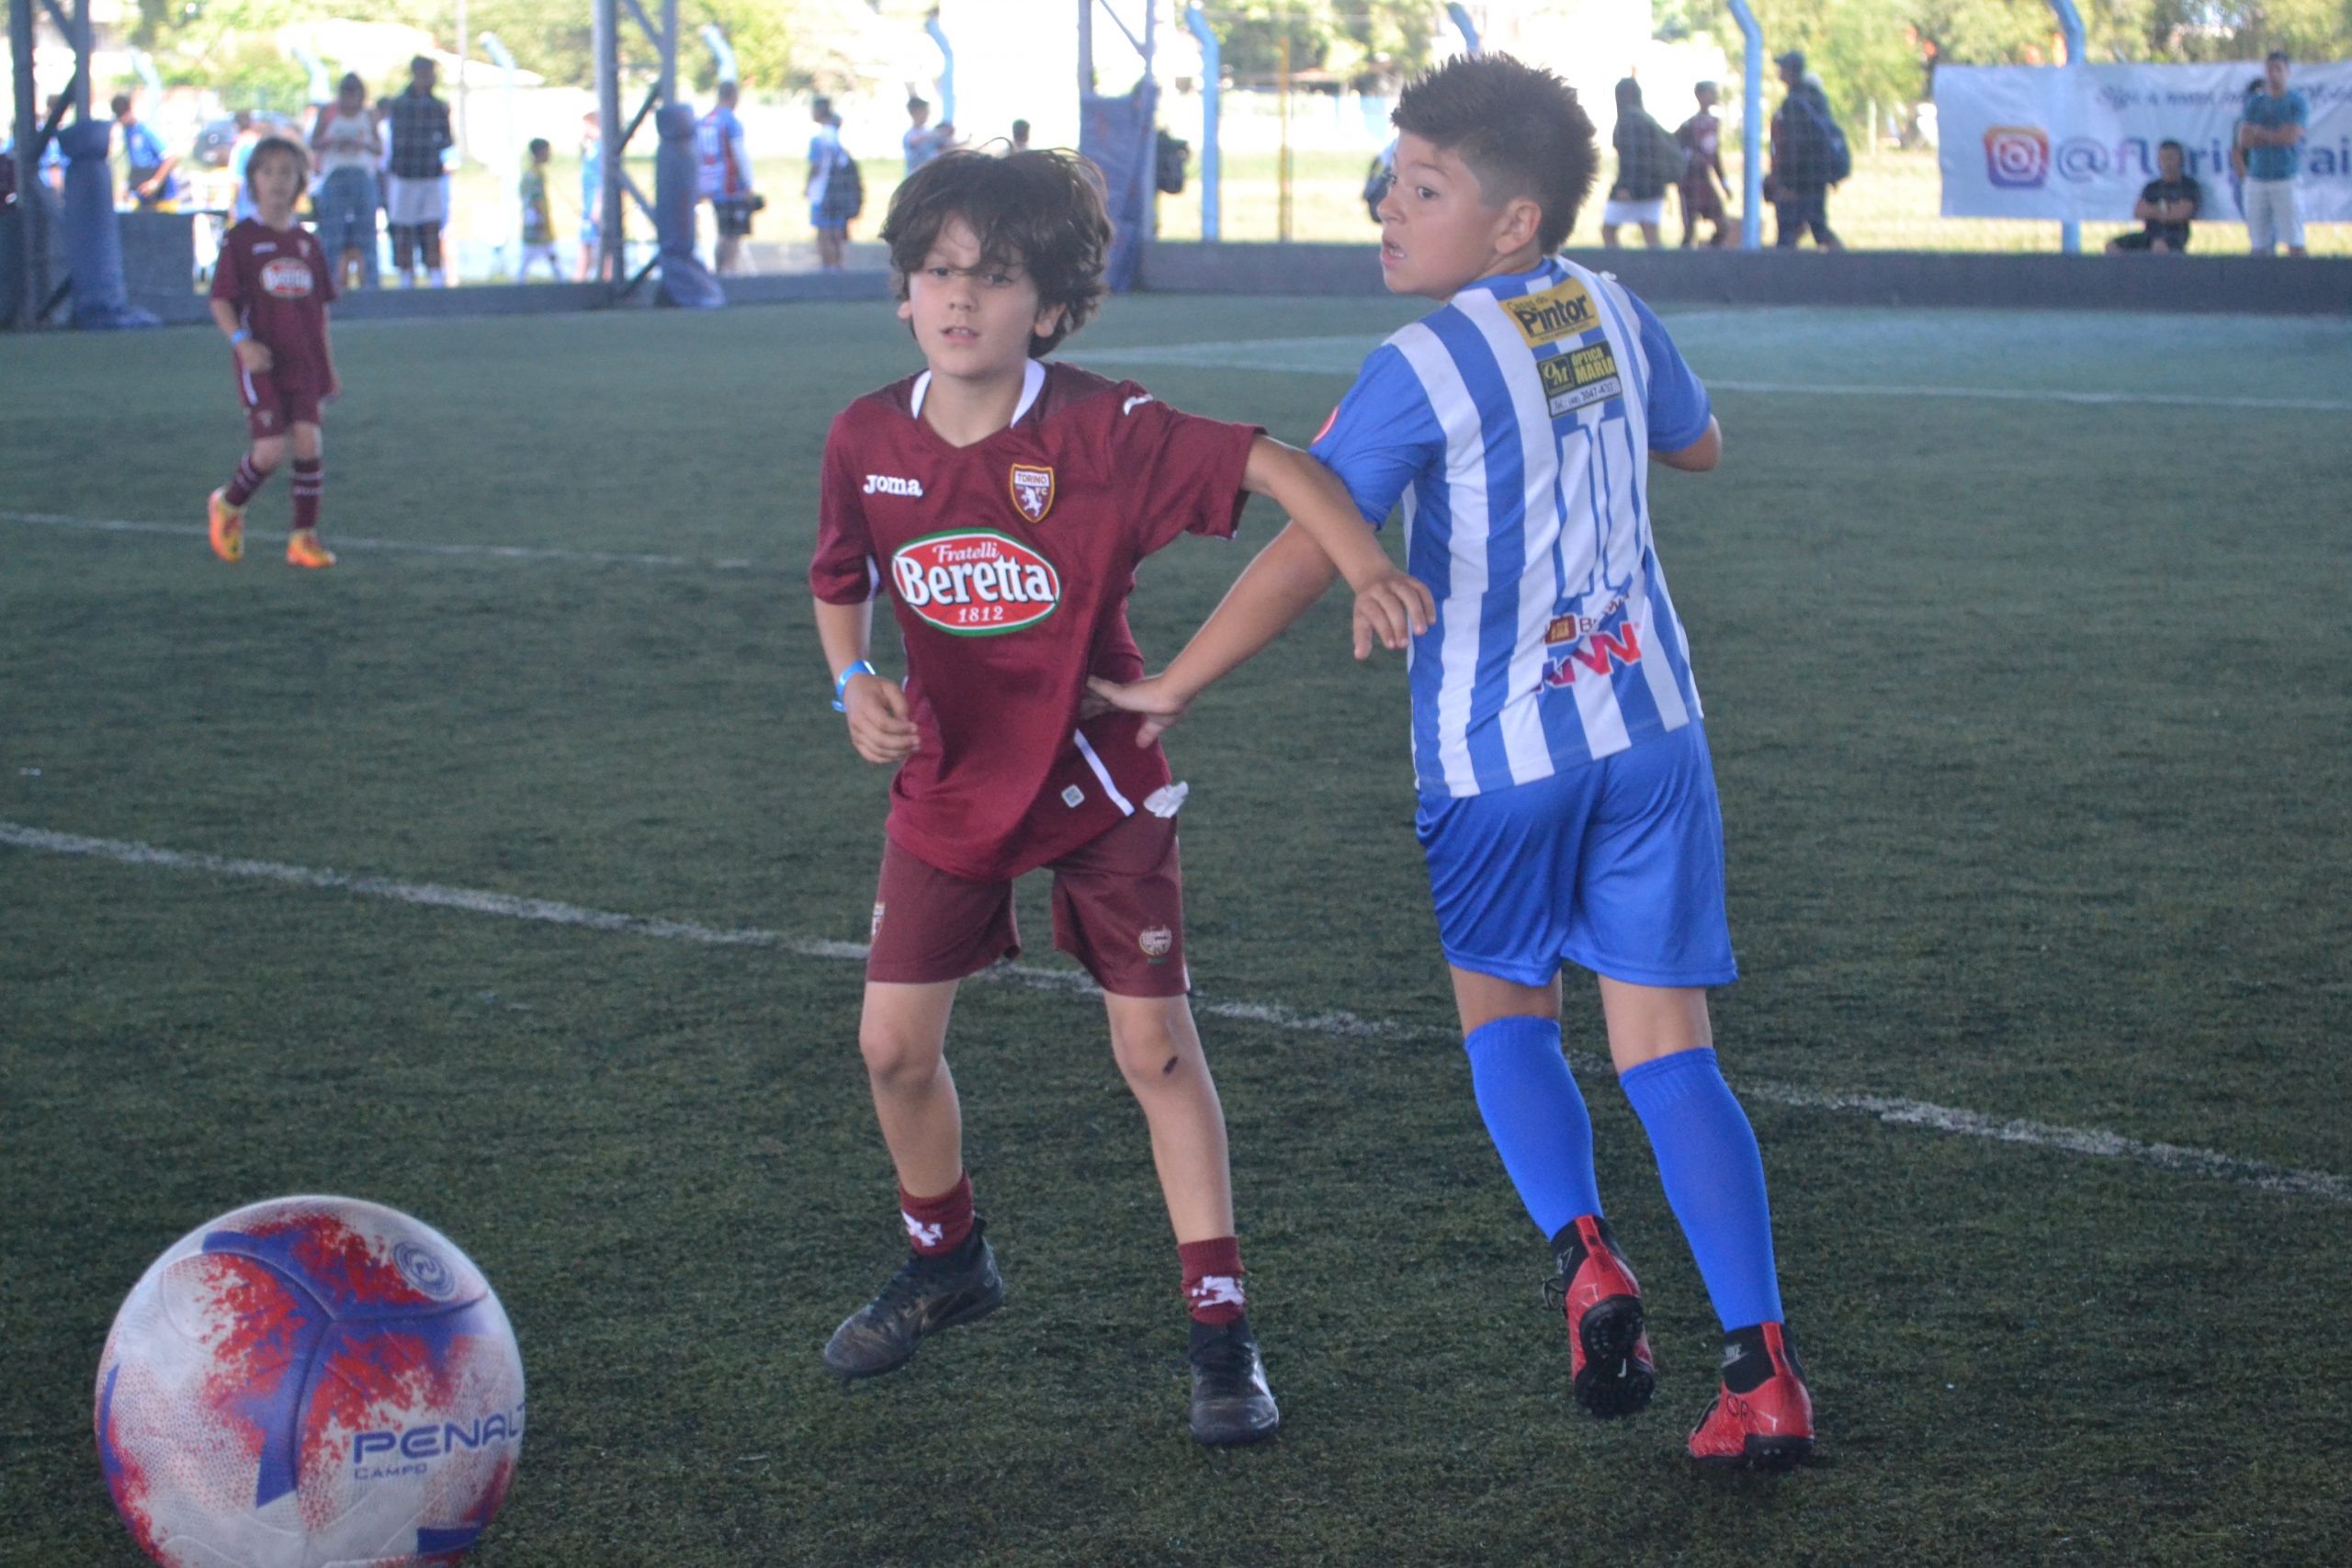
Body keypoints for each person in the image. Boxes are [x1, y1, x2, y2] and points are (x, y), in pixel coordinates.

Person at [1089, 52, 1819, 1472]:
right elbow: (1703, 445)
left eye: (1422, 188)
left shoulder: (1420, 364)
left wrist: (1175, 677)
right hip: (1652, 733)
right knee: (1671, 1055)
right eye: (1390, 178)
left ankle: (1589, 1259)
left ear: (1511, 222)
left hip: (1501, 758)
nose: (1386, 206)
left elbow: (1309, 549)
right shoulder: (1610, 300)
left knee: (1507, 1019)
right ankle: (1765, 1371)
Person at [806, 147, 1430, 1447]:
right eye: (936, 272)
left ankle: (1221, 1331)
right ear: (904, 290)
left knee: (1153, 1047)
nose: (960, 298)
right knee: (889, 1048)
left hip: (1098, 781)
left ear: (1053, 299)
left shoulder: (1106, 429)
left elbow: (1279, 467)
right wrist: (852, 678)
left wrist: (1367, 564)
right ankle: (946, 1260)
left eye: (995, 275)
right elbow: (838, 576)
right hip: (950, 782)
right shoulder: (867, 433)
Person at [205, 136, 339, 571]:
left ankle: (303, 539)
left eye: (287, 172)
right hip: (261, 361)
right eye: (268, 172)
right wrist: (241, 344)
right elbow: (220, 300)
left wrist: (328, 369)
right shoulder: (242, 240)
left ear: (300, 180)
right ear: (253, 181)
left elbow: (319, 312)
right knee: (268, 452)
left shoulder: (307, 244)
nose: (278, 181)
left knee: (308, 442)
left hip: (303, 362)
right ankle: (228, 504)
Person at [384, 55, 455, 287]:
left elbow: (447, 140)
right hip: (405, 175)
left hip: (430, 174)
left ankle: (435, 273)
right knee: (403, 227)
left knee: (432, 225)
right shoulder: (401, 105)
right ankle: (407, 275)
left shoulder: (438, 106)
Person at [310, 73, 380, 290]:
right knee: (332, 233)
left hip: (361, 175)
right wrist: (332, 142)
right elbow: (313, 142)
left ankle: (370, 284)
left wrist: (362, 145)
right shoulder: (328, 113)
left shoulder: (369, 115)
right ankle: (329, 284)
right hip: (335, 175)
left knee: (366, 232)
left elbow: (379, 148)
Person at [1766, 51, 1842, 250]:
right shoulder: (1816, 98)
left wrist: (1787, 183)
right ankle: (1845, 263)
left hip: (1799, 178)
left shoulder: (1793, 102)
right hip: (1818, 174)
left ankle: (1782, 274)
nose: (1779, 71)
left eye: (1782, 67)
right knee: (1818, 226)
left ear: (1790, 72)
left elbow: (1794, 145)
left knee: (1788, 229)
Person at [2240, 51, 2308, 257]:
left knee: (2295, 241)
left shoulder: (2296, 101)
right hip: (2257, 178)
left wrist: (2260, 133)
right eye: (2269, 69)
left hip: (2285, 178)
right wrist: (2275, 135)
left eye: (2278, 69)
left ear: (2287, 72)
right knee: (2258, 244)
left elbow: (2290, 137)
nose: (2273, 74)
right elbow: (2244, 140)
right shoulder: (2255, 102)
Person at [1601, 77, 1675, 248]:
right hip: (1653, 188)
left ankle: (1616, 268)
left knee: (1608, 229)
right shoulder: (1647, 119)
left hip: (1635, 189)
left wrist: (1625, 187)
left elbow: (1630, 157)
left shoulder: (1628, 120)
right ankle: (1659, 271)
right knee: (1651, 235)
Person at [698, 79, 757, 275]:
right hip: (730, 184)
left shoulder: (704, 121)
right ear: (733, 96)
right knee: (732, 233)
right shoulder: (730, 122)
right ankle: (728, 271)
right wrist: (748, 184)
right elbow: (738, 153)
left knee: (721, 229)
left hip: (710, 183)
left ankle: (718, 270)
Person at [2107, 139, 2199, 254]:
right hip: (2149, 234)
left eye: (2170, 158)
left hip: (2175, 236)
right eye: (2163, 158)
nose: (2167, 163)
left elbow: (2181, 214)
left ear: (2180, 160)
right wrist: (2167, 210)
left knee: (2159, 247)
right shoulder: (2152, 187)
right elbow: (2139, 212)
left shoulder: (2188, 185)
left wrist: (2153, 210)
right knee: (2112, 246)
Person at [1675, 80, 1733, 248]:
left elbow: (1714, 156)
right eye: (1711, 92)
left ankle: (1710, 256)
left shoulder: (1714, 123)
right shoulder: (1688, 126)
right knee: (1690, 230)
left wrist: (1724, 182)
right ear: (1699, 96)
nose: (1715, 96)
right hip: (1689, 181)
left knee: (1723, 225)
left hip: (1705, 181)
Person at [805, 96, 858, 271]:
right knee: (837, 230)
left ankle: (827, 266)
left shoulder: (819, 139)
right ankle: (839, 265)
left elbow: (816, 166)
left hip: (822, 190)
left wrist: (807, 185)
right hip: (839, 191)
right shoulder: (836, 136)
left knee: (824, 231)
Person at [112, 93, 182, 210]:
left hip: (163, 199)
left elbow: (171, 157)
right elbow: (136, 162)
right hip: (142, 198)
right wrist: (127, 185)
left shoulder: (146, 130)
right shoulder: (127, 132)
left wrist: (155, 183)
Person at [517, 137, 560, 280]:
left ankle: (560, 278)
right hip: (536, 222)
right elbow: (533, 198)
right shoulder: (533, 175)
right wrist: (539, 218)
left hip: (539, 221)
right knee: (532, 254)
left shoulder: (536, 173)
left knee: (548, 253)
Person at [576, 110, 607, 282]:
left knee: (603, 243)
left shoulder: (603, 148)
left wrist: (598, 203)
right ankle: (580, 279)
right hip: (588, 203)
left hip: (597, 204)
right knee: (586, 242)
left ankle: (606, 278)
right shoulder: (591, 147)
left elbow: (604, 178)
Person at [902, 95, 951, 173]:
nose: (928, 113)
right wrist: (940, 132)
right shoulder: (909, 134)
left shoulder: (930, 131)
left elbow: (945, 148)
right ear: (915, 113)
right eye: (925, 111)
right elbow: (914, 140)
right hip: (915, 177)